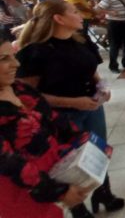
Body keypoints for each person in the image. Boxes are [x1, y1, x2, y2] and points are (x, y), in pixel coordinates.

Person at [15, 0, 124, 217]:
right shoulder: (36, 52)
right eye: (74, 12)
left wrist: (102, 88)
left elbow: (92, 71)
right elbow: (29, 96)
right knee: (68, 160)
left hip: (91, 108)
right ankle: (77, 207)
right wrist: (72, 102)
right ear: (59, 18)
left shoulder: (80, 41)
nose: (81, 15)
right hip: (61, 115)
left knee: (97, 152)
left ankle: (103, 192)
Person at [0, 32, 94, 218]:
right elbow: (8, 163)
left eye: (13, 56)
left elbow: (52, 119)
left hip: (51, 174)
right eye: (4, 59)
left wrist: (83, 142)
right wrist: (58, 191)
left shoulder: (18, 88)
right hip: (22, 191)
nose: (16, 64)